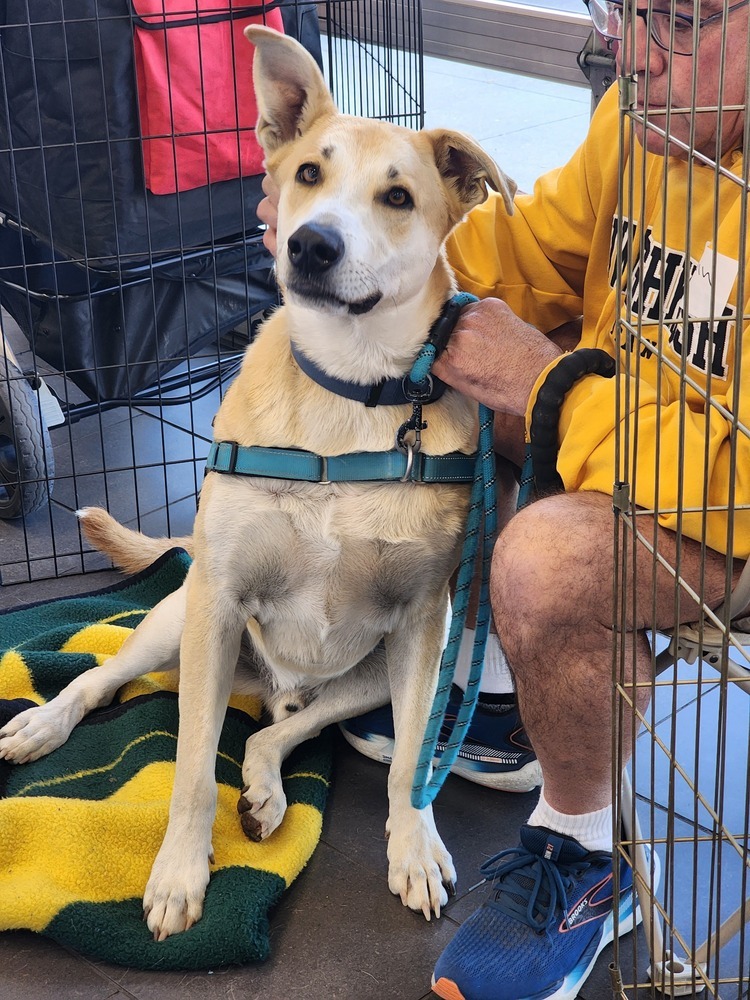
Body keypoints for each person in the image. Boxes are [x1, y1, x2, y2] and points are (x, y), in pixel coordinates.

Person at [257, 2, 750, 996]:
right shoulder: (643, 119)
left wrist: (553, 389)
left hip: (733, 502)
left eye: (684, 22)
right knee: (453, 333)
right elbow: (528, 251)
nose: (635, 52)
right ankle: (497, 695)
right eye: (631, 12)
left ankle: (579, 861)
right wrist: (359, 245)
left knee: (547, 560)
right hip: (636, 427)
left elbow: (733, 474)